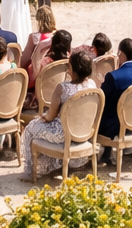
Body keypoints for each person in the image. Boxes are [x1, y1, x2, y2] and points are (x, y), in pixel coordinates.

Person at [21, 47, 98, 179]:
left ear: (73, 68)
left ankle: (30, 171)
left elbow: (50, 116)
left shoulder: (62, 88)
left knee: (29, 129)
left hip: (64, 133)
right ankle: (54, 164)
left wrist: (43, 118)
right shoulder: (92, 84)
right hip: (84, 132)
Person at [98, 37, 132, 161]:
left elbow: (102, 101)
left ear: (121, 54)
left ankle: (100, 154)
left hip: (117, 127)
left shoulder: (114, 77)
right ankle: (107, 153)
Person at [22, 5, 57, 85]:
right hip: (54, 72)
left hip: (38, 74)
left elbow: (25, 59)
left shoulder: (34, 37)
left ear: (38, 21)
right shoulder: (57, 36)